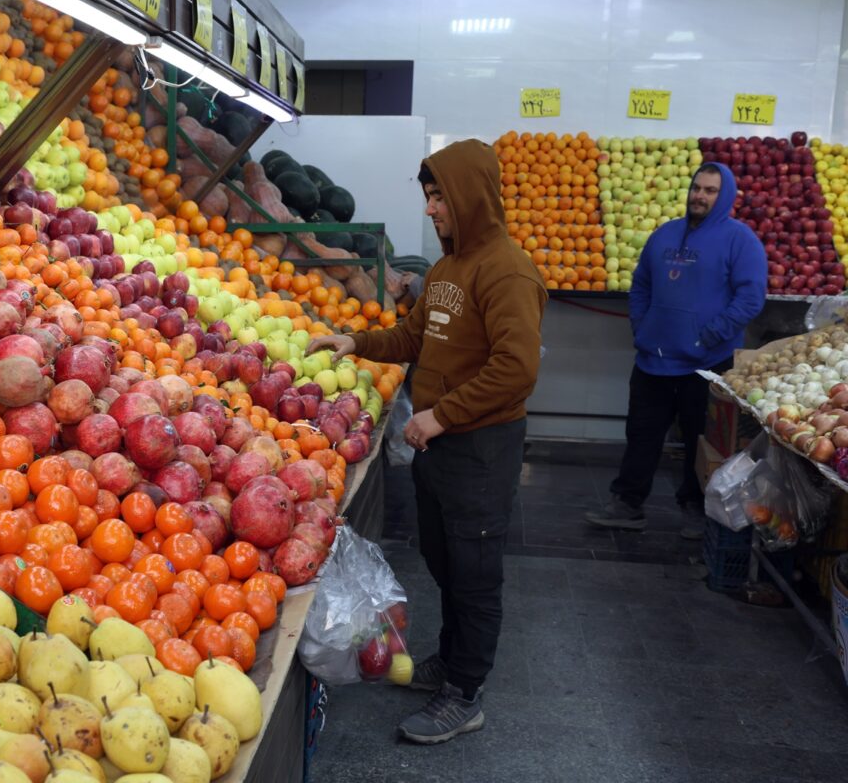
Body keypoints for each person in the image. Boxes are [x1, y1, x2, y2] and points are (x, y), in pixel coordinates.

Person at [307, 139, 546, 745]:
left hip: (482, 448)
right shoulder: (445, 270)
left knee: (475, 570)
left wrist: (442, 416)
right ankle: (450, 660)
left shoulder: (508, 270)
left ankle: (465, 694)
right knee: (444, 558)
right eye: (428, 197)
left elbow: (517, 369)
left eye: (439, 197)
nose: (432, 210)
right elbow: (413, 339)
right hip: (441, 449)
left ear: (468, 196)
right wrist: (354, 344)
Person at [585, 162, 765, 538]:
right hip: (654, 359)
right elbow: (641, 286)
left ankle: (696, 508)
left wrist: (711, 335)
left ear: (725, 196)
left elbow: (750, 298)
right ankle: (627, 504)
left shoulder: (741, 240)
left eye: (710, 190)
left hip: (707, 363)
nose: (699, 195)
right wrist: (642, 326)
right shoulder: (664, 234)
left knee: (701, 438)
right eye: (697, 187)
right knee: (641, 433)